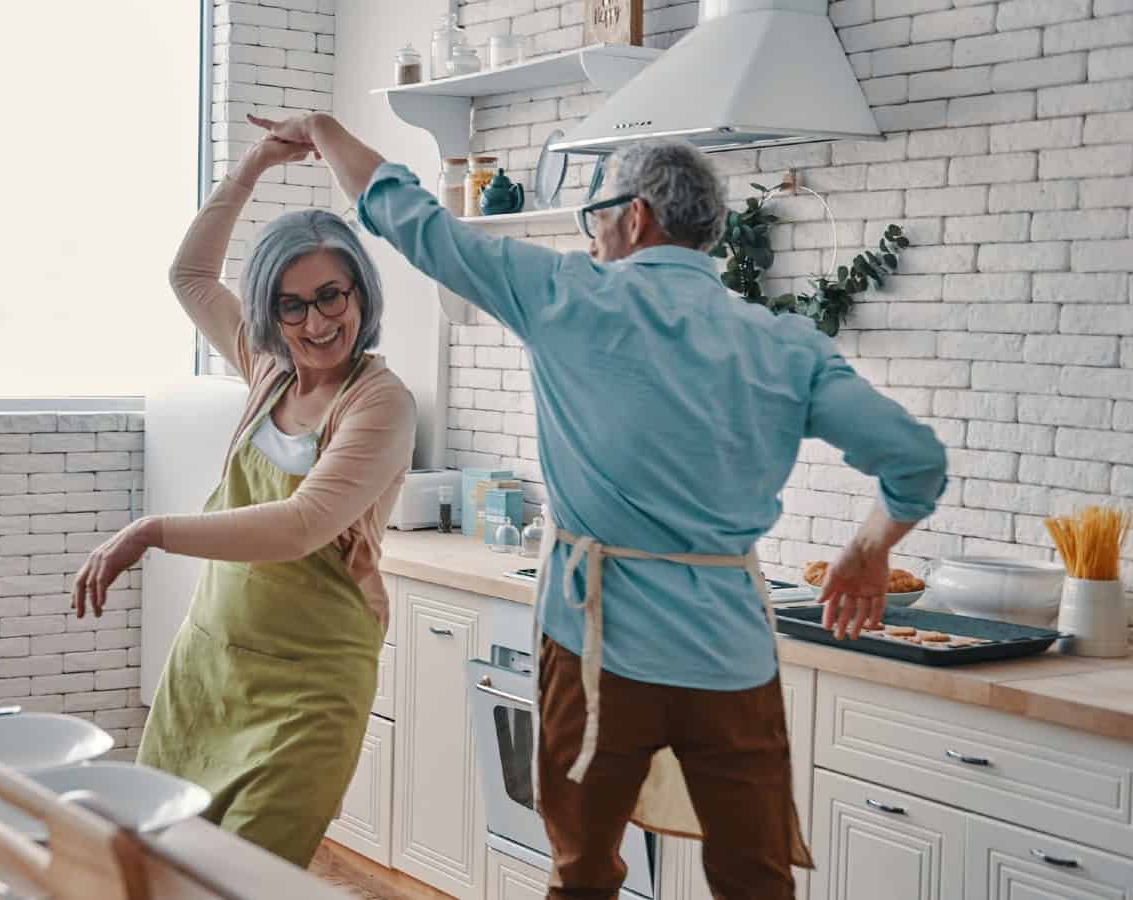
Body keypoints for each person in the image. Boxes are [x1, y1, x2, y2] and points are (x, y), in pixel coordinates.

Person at [248, 112, 947, 899]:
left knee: (582, 874)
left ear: (635, 216)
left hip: (593, 649)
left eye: (595, 216)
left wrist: (324, 130)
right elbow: (917, 464)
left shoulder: (565, 295)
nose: (589, 238)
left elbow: (411, 217)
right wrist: (869, 548)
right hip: (731, 660)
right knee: (755, 880)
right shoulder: (784, 344)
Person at [70, 133, 416, 868]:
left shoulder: (379, 403)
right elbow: (191, 274)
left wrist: (152, 531)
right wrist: (253, 167)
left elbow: (302, 526)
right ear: (270, 313)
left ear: (360, 293)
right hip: (209, 668)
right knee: (157, 864)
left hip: (308, 691)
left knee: (240, 878)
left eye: (332, 296)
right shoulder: (269, 369)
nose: (317, 323)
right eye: (292, 306)